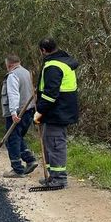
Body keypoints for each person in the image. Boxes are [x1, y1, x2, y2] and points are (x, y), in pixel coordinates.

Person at [33, 38, 79, 189]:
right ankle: (52, 175)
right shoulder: (63, 61)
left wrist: (39, 111)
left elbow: (50, 95)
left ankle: (59, 178)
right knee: (49, 141)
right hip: (61, 109)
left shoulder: (53, 66)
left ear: (43, 50)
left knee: (55, 142)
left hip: (58, 111)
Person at [1, 54, 38, 178]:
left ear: (9, 65)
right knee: (18, 137)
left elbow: (13, 95)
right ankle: (30, 160)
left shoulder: (13, 75)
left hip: (18, 113)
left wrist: (13, 113)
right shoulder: (27, 73)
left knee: (12, 139)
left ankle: (17, 169)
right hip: (29, 110)